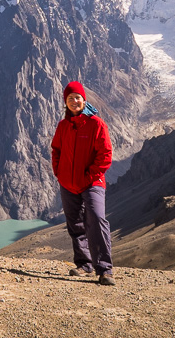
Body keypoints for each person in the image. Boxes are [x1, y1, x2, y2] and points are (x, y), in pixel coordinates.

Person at [50, 80, 115, 286]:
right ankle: (84, 264)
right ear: (65, 103)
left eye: (77, 97)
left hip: (92, 182)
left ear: (84, 100)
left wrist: (88, 177)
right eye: (70, 99)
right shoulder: (63, 126)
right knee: (75, 224)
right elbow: (56, 150)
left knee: (96, 219)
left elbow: (105, 155)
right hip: (68, 183)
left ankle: (104, 269)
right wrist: (59, 173)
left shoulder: (96, 124)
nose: (74, 101)